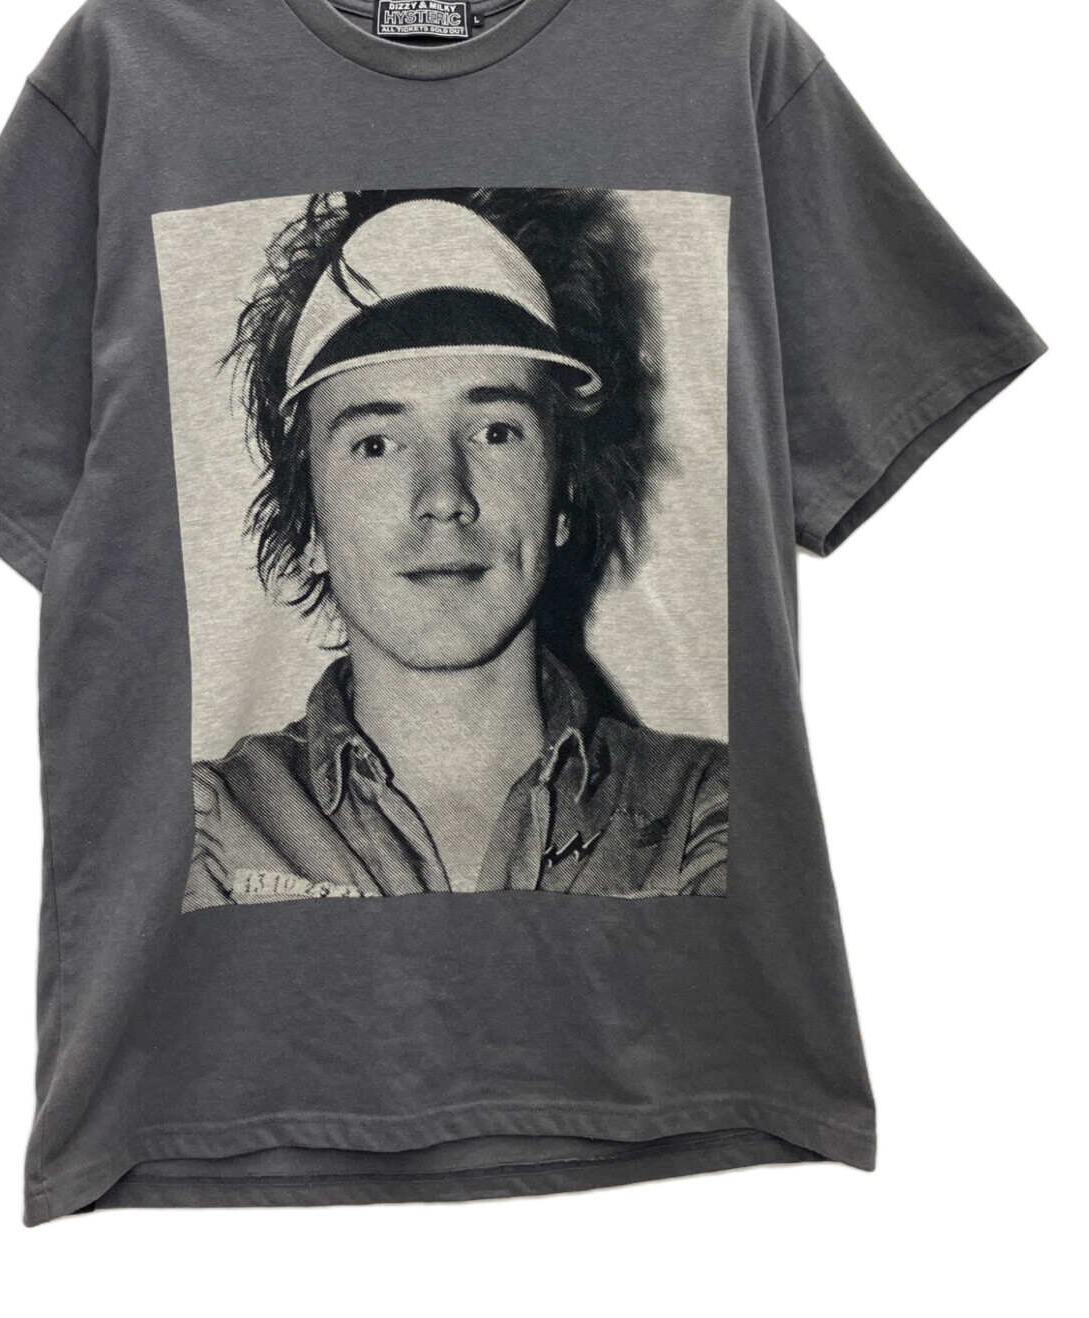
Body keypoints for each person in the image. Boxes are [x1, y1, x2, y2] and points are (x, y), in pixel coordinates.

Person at [182, 191, 728, 908]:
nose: (443, 495)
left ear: (561, 494)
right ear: (309, 521)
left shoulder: (706, 812)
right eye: (377, 444)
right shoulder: (210, 829)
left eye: (495, 432)